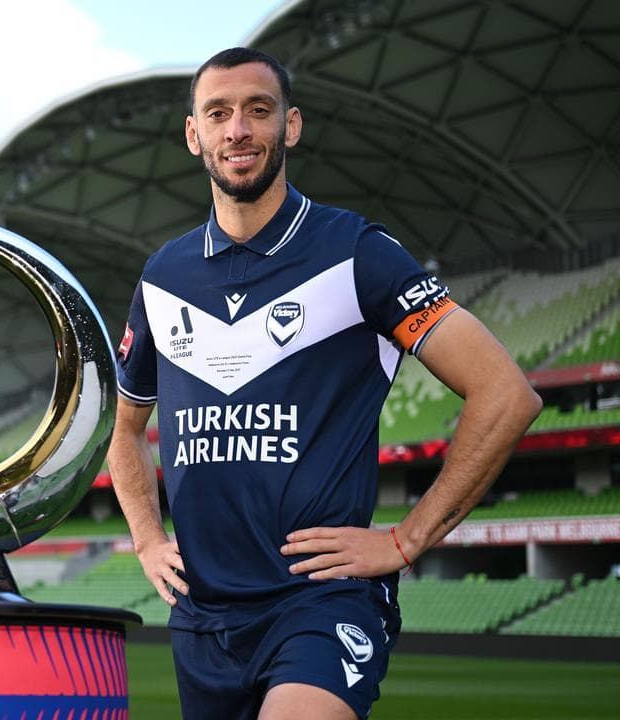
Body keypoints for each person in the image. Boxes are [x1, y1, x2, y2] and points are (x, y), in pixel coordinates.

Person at [107, 47, 541, 720]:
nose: (238, 130)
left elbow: (506, 394)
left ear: (292, 125)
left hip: (319, 600)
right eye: (218, 114)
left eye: (259, 110)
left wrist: (406, 540)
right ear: (194, 135)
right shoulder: (163, 277)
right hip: (202, 618)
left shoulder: (358, 252)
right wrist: (144, 536)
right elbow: (126, 432)